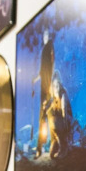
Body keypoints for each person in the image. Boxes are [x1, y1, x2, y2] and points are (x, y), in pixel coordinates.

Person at [33, 28, 54, 158]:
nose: (44, 37)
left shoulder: (49, 47)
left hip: (47, 88)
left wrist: (49, 87)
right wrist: (36, 79)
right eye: (43, 34)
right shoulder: (45, 48)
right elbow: (43, 70)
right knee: (44, 116)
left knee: (47, 115)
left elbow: (50, 66)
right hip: (44, 88)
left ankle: (43, 146)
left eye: (46, 34)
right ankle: (41, 146)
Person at [44, 70, 72, 159]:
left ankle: (63, 147)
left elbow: (64, 110)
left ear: (59, 84)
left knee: (54, 121)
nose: (55, 88)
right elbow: (49, 109)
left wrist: (65, 123)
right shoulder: (53, 97)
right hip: (58, 122)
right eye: (54, 86)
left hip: (65, 119)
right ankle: (55, 142)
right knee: (51, 116)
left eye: (57, 85)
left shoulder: (63, 93)